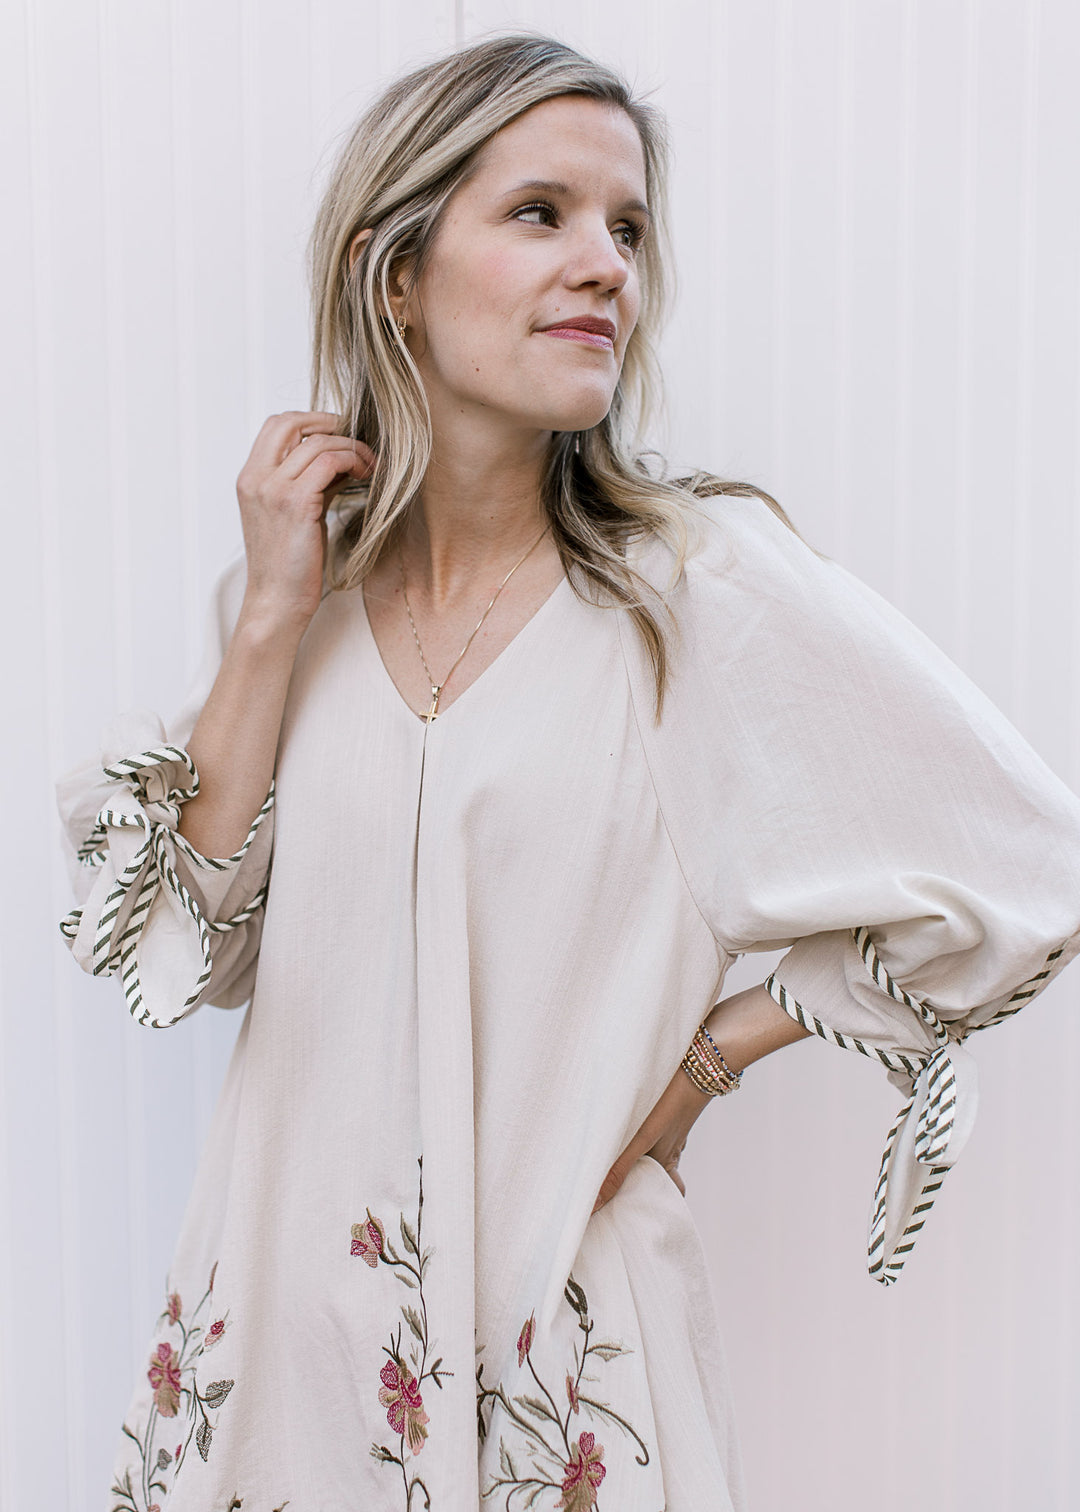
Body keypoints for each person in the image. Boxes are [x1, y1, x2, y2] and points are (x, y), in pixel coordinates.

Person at [56, 31, 1080, 1512]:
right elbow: (186, 953)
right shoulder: (294, 612)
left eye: (629, 229)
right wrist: (272, 613)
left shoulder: (692, 594)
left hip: (560, 1378)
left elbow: (1030, 862)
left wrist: (709, 1063)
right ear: (393, 271)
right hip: (283, 1359)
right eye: (541, 213)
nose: (606, 263)